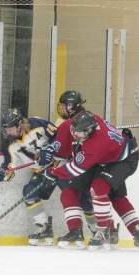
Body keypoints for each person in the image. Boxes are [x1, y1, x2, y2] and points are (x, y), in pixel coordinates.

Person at [41, 109, 139, 251]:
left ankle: (107, 232)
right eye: (74, 129)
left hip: (124, 159)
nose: (74, 134)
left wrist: (53, 172)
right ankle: (75, 233)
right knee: (69, 192)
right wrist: (52, 148)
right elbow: (67, 127)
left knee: (101, 189)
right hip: (106, 157)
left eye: (79, 132)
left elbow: (75, 169)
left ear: (90, 130)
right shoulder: (86, 121)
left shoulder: (96, 144)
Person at [37, 90, 103, 249]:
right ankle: (100, 231)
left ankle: (76, 233)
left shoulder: (69, 124)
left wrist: (48, 152)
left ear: (71, 106)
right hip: (97, 167)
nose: (62, 109)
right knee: (84, 199)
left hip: (80, 167)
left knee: (69, 193)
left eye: (64, 105)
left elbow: (60, 153)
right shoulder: (93, 117)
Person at [0, 108, 59, 246]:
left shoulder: (37, 123)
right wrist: (1, 173)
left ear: (20, 124)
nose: (7, 132)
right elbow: (9, 168)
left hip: (59, 164)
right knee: (28, 192)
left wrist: (50, 149)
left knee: (76, 194)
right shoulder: (9, 145)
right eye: (6, 129)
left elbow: (59, 136)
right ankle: (44, 228)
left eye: (10, 128)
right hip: (41, 171)